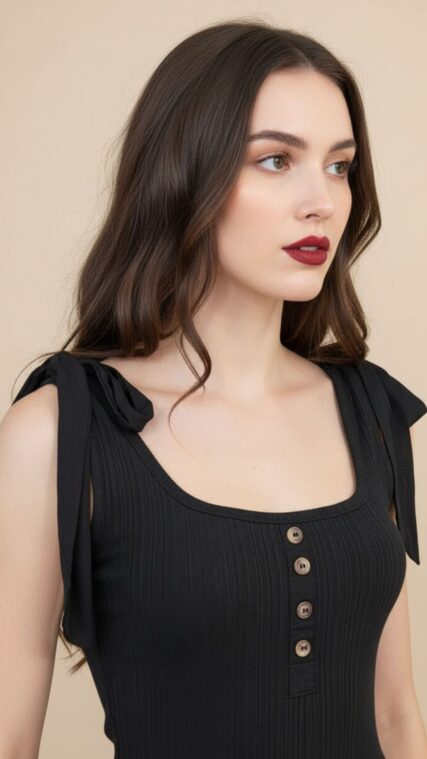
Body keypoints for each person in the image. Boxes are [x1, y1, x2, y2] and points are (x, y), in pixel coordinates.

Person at [1, 19, 426, 759]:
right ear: (183, 172)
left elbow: (396, 718)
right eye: (275, 160)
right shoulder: (61, 430)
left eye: (339, 166)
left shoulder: (371, 413)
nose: (323, 201)